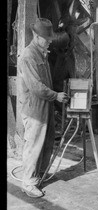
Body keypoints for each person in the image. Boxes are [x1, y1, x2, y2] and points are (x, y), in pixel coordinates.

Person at [18, 18, 69, 198]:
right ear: (36, 36)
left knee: (46, 141)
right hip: (34, 109)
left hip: (45, 106)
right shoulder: (28, 56)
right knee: (34, 144)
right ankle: (28, 182)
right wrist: (56, 95)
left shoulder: (42, 53)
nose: (49, 41)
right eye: (46, 39)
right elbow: (36, 87)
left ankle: (39, 173)